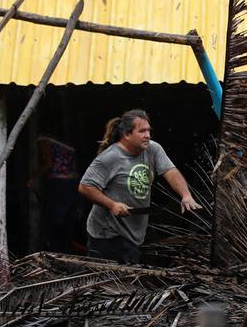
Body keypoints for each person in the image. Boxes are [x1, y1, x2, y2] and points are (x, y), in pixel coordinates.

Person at [78, 109, 201, 264]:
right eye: (142, 131)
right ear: (127, 135)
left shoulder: (153, 148)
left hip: (135, 230)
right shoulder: (110, 157)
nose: (148, 135)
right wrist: (112, 205)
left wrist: (186, 195)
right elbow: (85, 186)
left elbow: (170, 171)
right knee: (113, 281)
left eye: (149, 130)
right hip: (107, 234)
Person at [34, 133, 79, 252]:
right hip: (73, 182)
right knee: (67, 217)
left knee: (55, 218)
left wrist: (34, 177)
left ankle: (55, 248)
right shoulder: (65, 144)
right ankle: (65, 247)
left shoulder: (44, 140)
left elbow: (49, 164)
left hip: (60, 182)